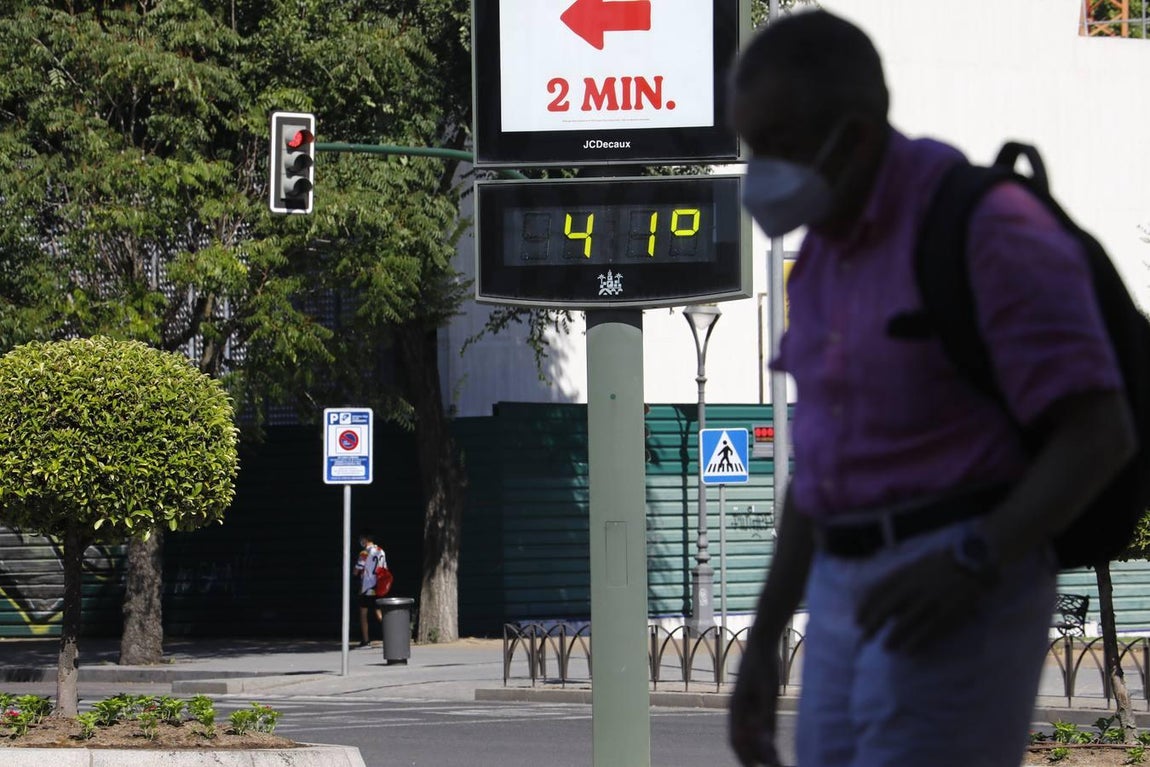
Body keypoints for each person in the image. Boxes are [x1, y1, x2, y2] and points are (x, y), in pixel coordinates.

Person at [726, 10, 1136, 767]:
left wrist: (975, 559)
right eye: (752, 148)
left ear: (851, 137)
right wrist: (765, 638)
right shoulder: (819, 255)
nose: (761, 174)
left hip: (960, 585)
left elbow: (1100, 430)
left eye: (777, 147)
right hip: (843, 592)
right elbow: (816, 477)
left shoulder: (987, 227)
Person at [353, 531, 386, 647]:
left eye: (362, 538)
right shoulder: (381, 551)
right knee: (378, 612)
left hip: (366, 586)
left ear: (366, 539)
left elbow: (357, 570)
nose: (360, 541)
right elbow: (384, 567)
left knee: (363, 612)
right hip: (378, 586)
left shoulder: (364, 552)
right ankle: (391, 635)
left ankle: (366, 640)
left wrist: (355, 571)